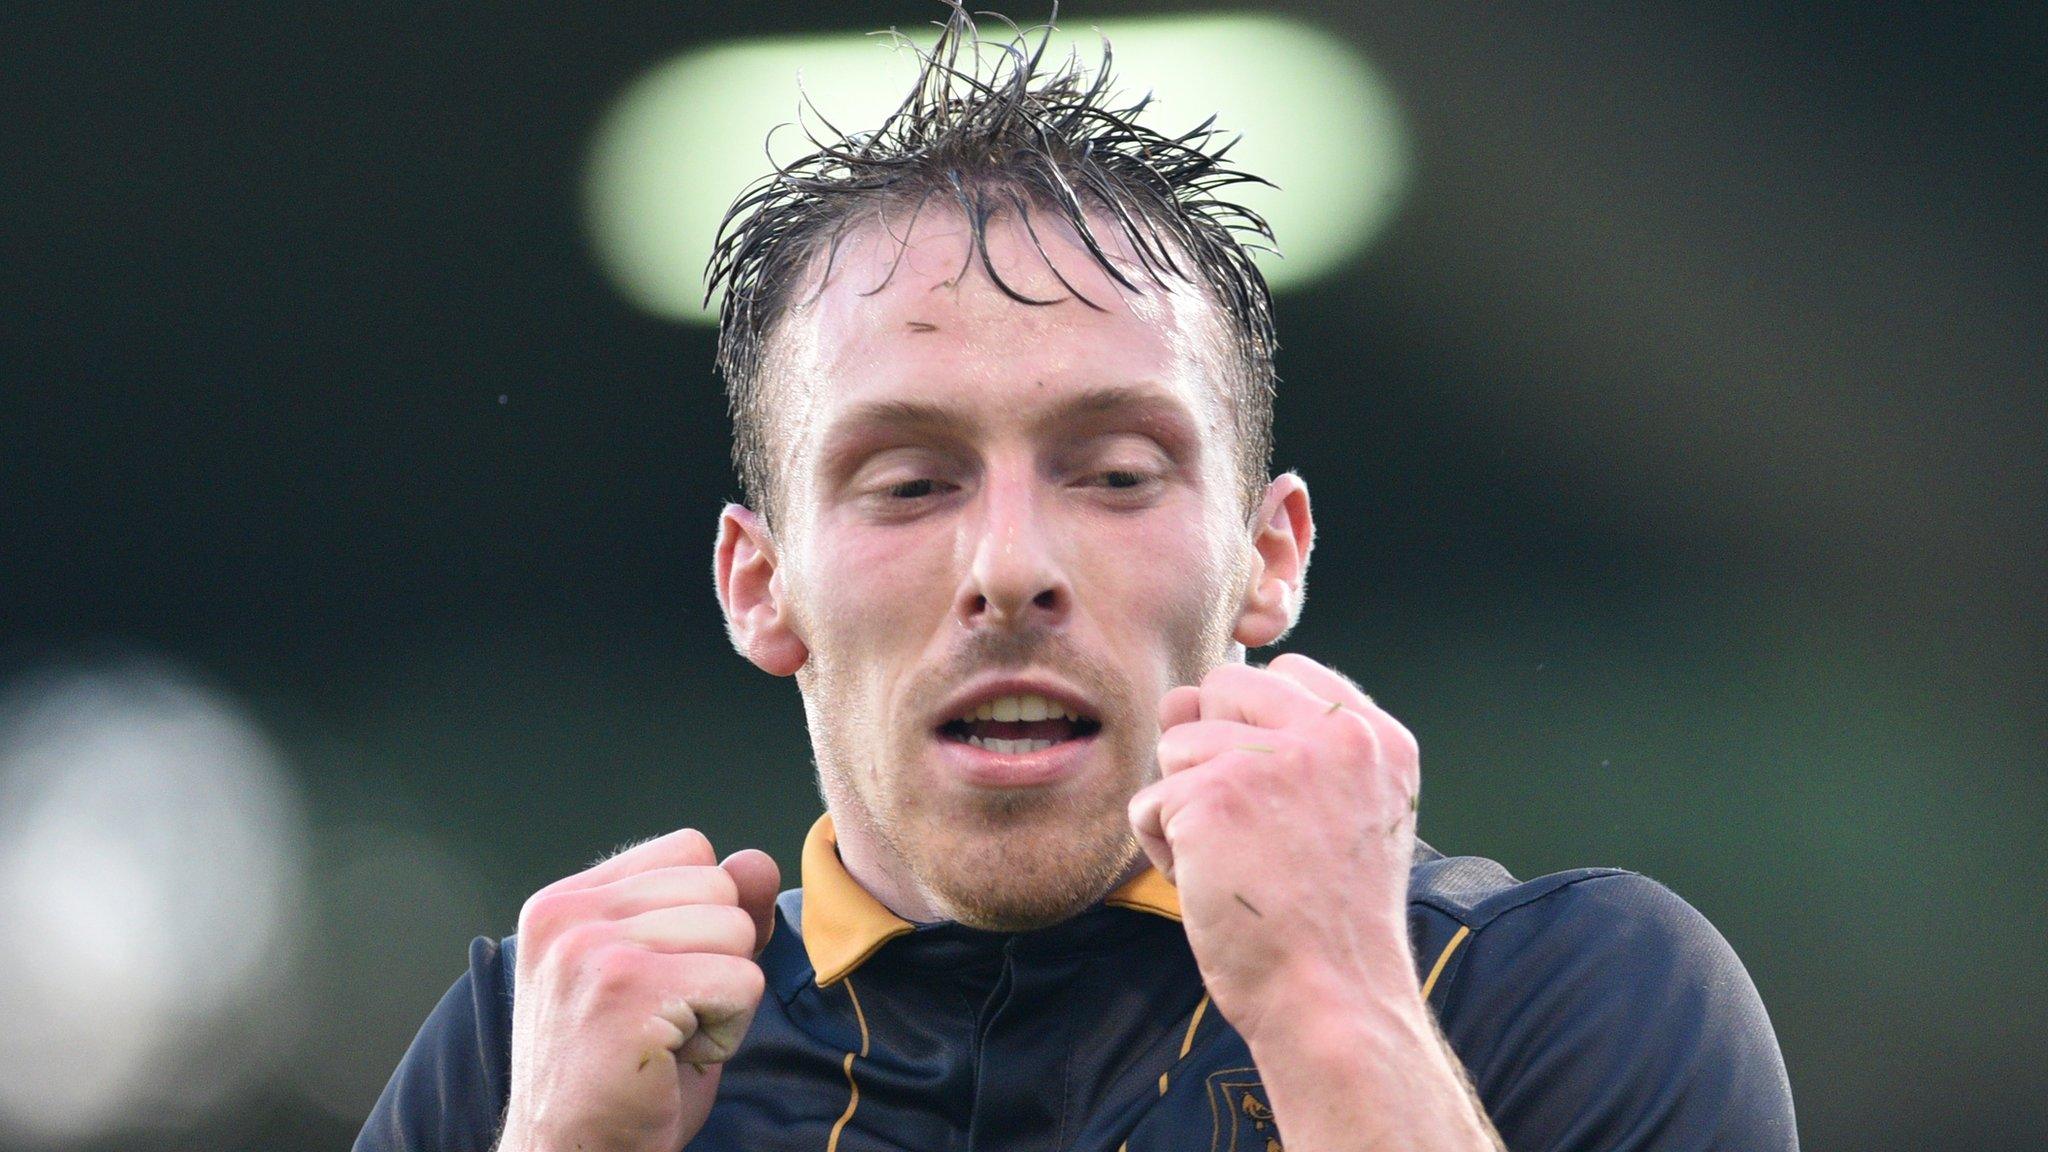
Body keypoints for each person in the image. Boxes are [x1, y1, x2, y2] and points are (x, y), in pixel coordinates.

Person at [358, 7, 1799, 1150]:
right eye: (910, 483)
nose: (1010, 569)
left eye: (1114, 474)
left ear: (1269, 555)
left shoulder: (1559, 997)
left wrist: (1334, 1013)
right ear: (760, 585)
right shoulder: (526, 1055)